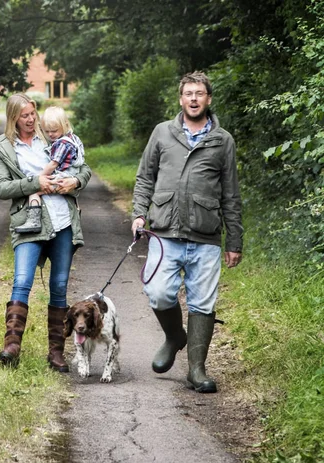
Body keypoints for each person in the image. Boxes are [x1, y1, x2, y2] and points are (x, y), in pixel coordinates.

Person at [131, 71, 243, 393]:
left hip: (205, 234)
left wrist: (234, 240)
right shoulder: (162, 133)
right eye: (188, 93)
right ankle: (174, 336)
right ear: (180, 99)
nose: (194, 98)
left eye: (200, 93)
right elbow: (144, 178)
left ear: (208, 99)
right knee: (158, 291)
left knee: (202, 302)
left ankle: (197, 369)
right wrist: (139, 213)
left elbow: (231, 195)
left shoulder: (223, 141)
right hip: (165, 230)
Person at [0, 93, 92, 371]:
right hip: (29, 222)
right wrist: (35, 183)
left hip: (62, 220)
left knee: (59, 286)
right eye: (25, 116)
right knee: (22, 279)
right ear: (13, 118)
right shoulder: (5, 147)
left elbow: (84, 170)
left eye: (33, 113)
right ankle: (11, 347)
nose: (31, 119)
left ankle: (56, 353)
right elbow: (0, 188)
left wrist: (74, 181)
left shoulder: (50, 134)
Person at [15, 105, 86, 233]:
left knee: (34, 192)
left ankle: (33, 220)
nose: (50, 135)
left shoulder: (62, 144)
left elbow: (53, 164)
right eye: (46, 131)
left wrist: (39, 178)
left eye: (54, 131)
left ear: (64, 125)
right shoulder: (73, 138)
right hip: (67, 177)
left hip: (61, 178)